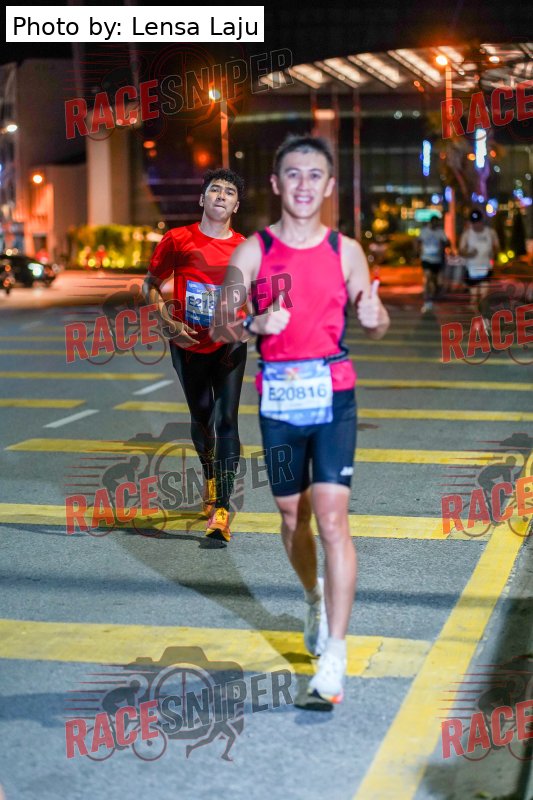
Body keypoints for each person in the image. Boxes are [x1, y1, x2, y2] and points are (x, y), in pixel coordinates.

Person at [210, 135, 390, 704]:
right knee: (293, 518)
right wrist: (253, 325)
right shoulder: (253, 252)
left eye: (315, 175)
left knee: (333, 518)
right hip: (280, 402)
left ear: (329, 185)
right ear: (276, 183)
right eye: (293, 174)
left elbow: (375, 321)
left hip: (334, 395)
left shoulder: (346, 250)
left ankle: (334, 655)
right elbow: (218, 324)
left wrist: (375, 315)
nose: (304, 184)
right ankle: (315, 598)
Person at [143, 168, 246, 543]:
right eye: (215, 190)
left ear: (236, 205)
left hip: (230, 342)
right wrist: (166, 321)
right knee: (203, 418)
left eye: (229, 192)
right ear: (202, 199)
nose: (221, 195)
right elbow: (150, 284)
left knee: (227, 420)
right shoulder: (177, 239)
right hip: (186, 342)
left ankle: (222, 509)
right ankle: (210, 476)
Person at [459, 209, 500, 318]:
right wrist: (469, 254)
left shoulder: (490, 233)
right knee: (474, 298)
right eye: (473, 222)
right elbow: (461, 250)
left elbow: (497, 247)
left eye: (478, 222)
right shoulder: (467, 234)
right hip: (472, 270)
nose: (476, 225)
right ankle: (476, 315)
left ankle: (481, 318)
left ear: (482, 221)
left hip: (485, 268)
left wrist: (494, 253)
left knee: (484, 296)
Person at [417, 215, 449, 313]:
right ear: (430, 222)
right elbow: (418, 241)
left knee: (436, 282)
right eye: (433, 222)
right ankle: (427, 300)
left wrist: (443, 245)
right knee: (428, 277)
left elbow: (447, 242)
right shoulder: (424, 231)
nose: (435, 224)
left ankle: (432, 296)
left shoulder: (440, 232)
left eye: (437, 222)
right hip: (426, 259)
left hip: (437, 260)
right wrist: (417, 251)